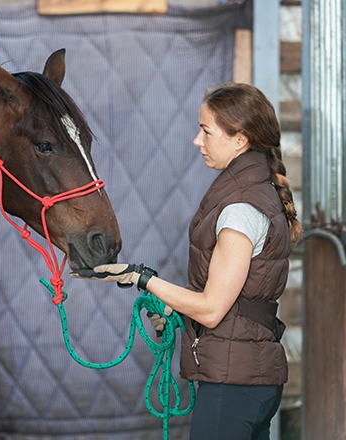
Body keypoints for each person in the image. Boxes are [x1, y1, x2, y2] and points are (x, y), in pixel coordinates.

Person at [71, 82, 303, 440]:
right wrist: (173, 310)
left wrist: (141, 278)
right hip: (248, 378)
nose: (198, 140)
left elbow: (212, 309)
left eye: (206, 131)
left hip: (234, 385)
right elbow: (240, 302)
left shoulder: (241, 209)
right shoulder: (253, 194)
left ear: (240, 140)